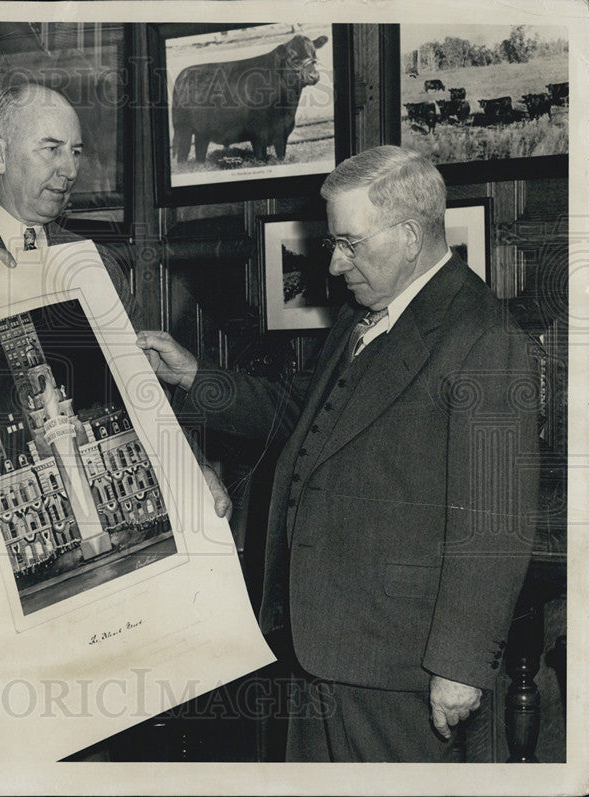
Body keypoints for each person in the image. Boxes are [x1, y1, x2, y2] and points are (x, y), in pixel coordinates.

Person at [137, 145, 538, 762]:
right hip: (319, 649)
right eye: (334, 242)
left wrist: (459, 666)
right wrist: (196, 377)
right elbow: (302, 415)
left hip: (401, 669)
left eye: (350, 242)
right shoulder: (367, 316)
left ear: (407, 236)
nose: (336, 263)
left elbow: (495, 523)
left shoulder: (481, 336)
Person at [0, 83, 230, 759]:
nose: (69, 168)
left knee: (86, 725)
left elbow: (129, 397)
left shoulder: (91, 260)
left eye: (76, 151)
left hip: (93, 543)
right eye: (50, 148)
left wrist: (193, 472)